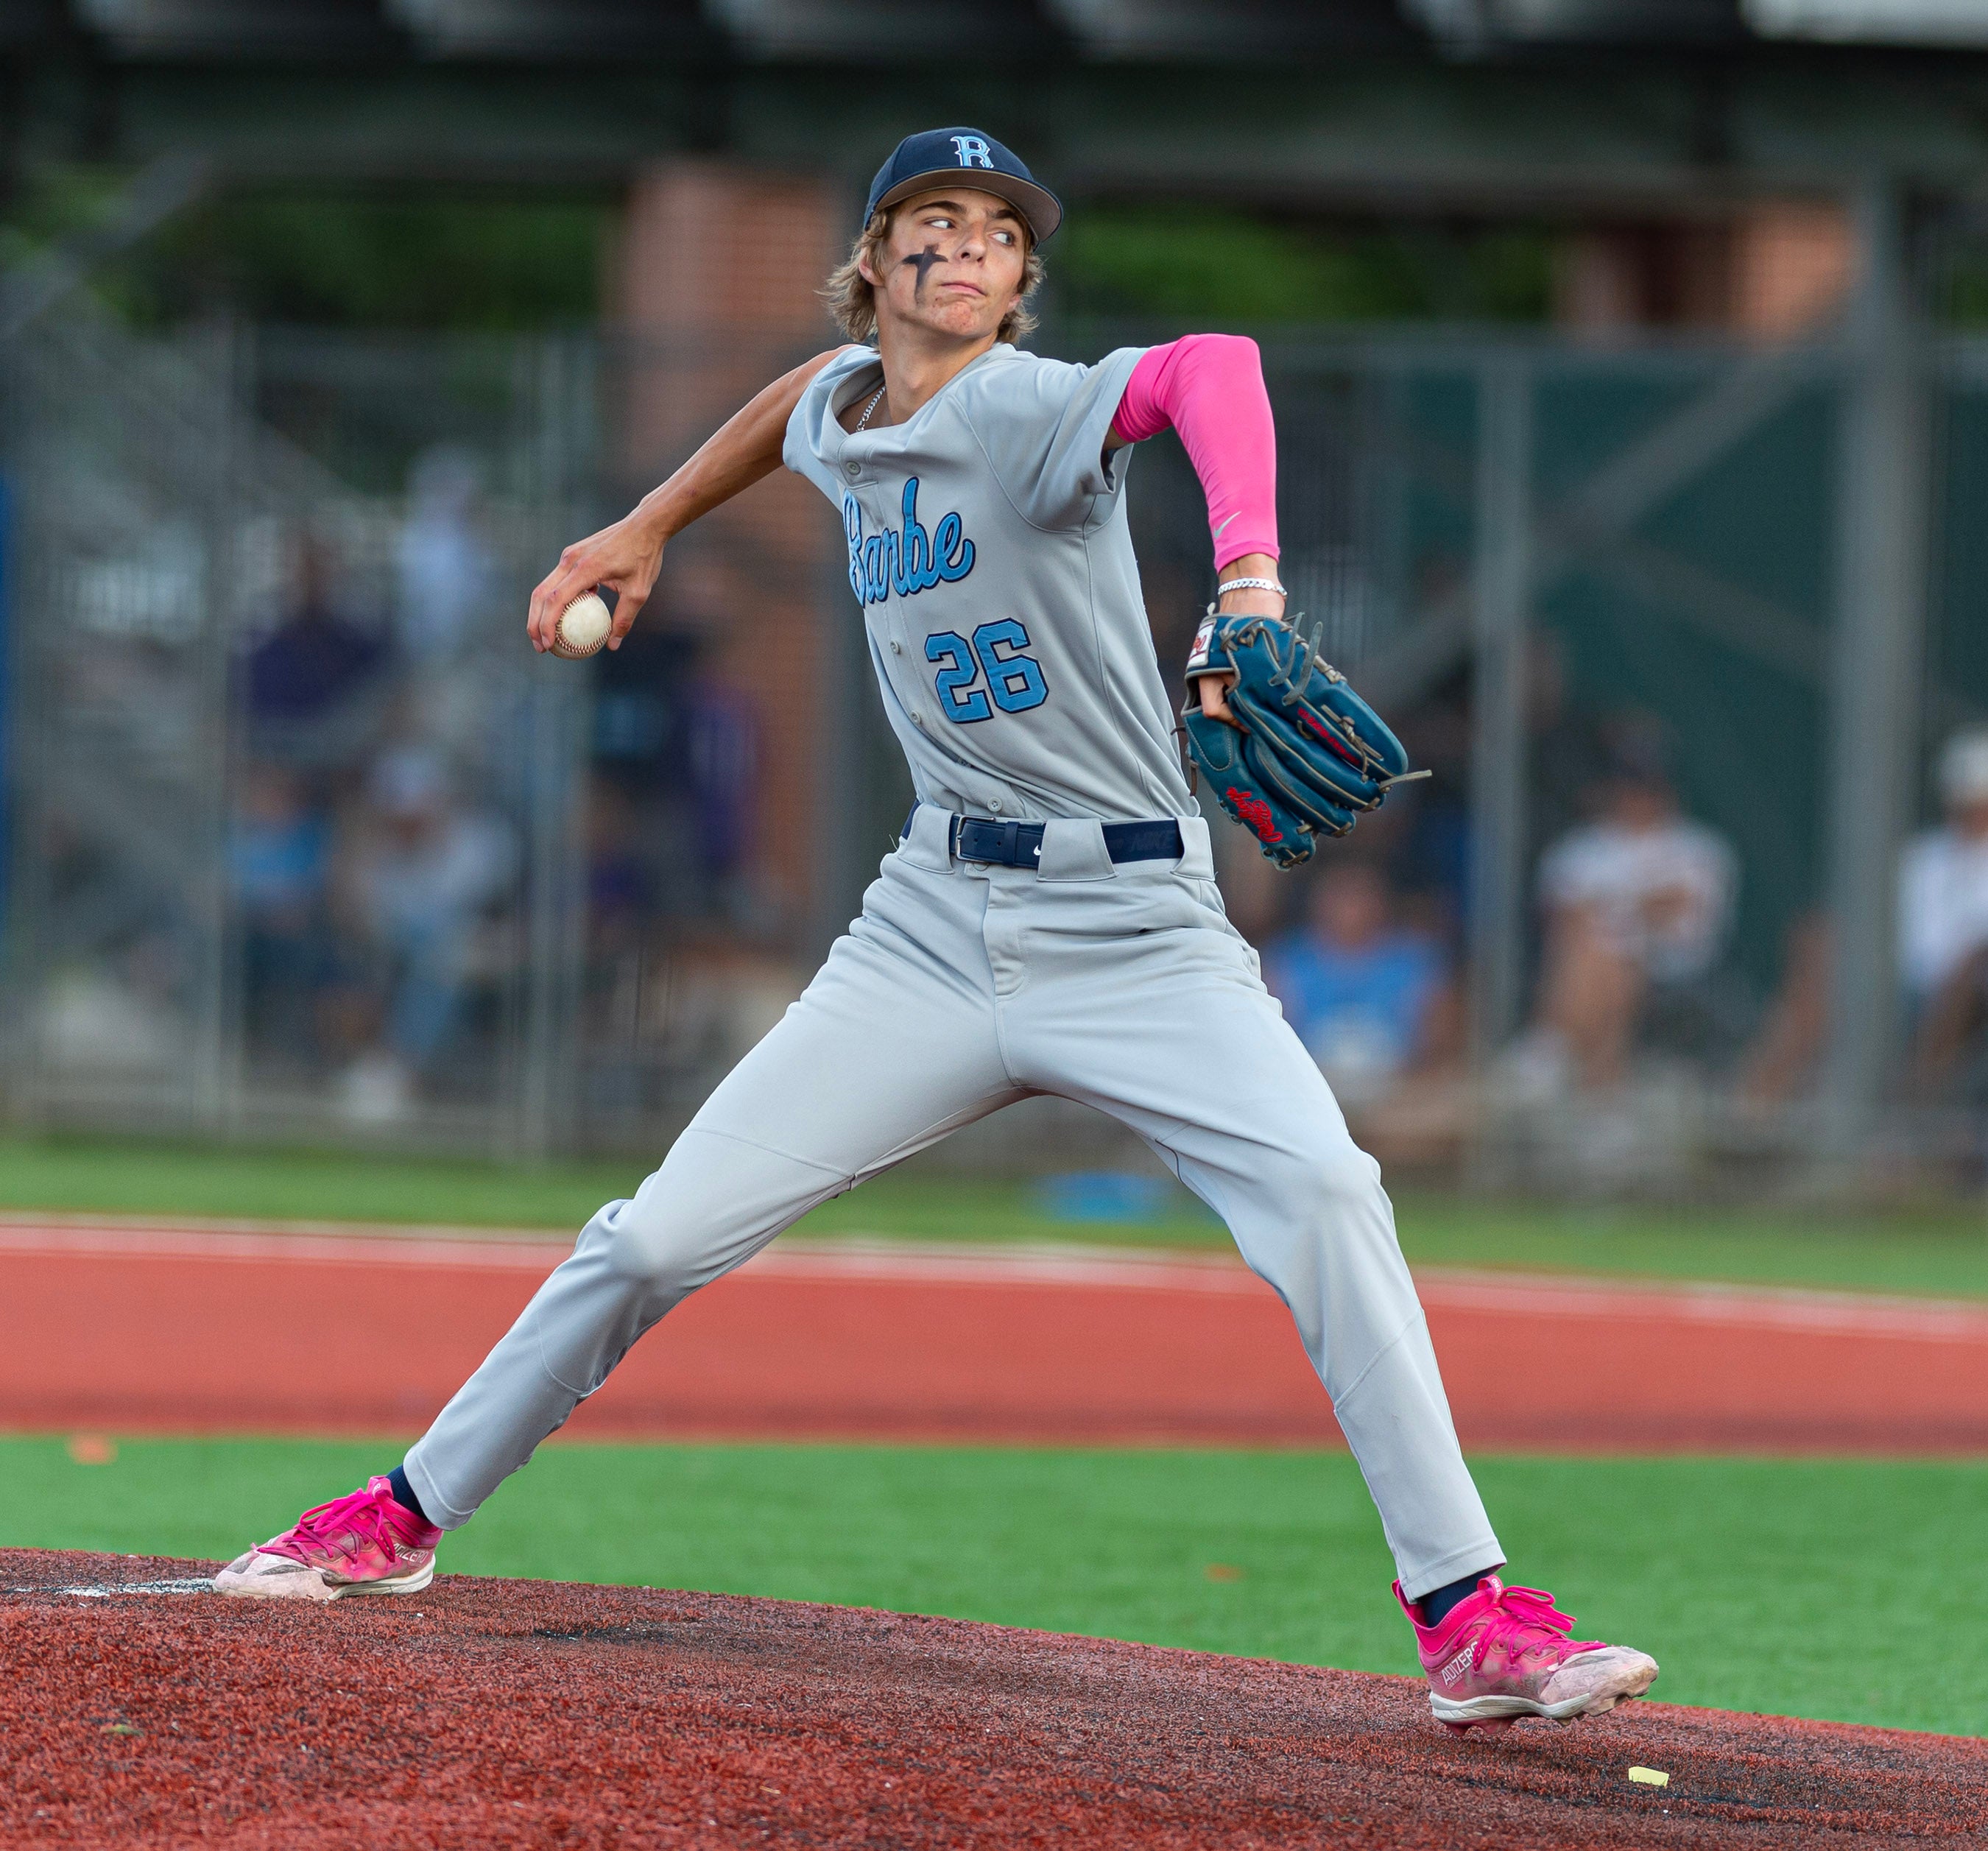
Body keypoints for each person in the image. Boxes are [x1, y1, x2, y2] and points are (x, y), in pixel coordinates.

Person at [214, 127, 1656, 1735]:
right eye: (929, 222)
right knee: (659, 1239)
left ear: (1021, 279)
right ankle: (401, 1516)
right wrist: (649, 523)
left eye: (995, 232)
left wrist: (1249, 578)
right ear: (876, 259)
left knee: (1329, 1192)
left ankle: (1468, 1615)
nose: (964, 249)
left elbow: (1212, 365)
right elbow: (799, 409)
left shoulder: (1025, 408)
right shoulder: (848, 404)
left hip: (1136, 929)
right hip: (931, 927)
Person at [1518, 725, 1738, 1093]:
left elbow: (1682, 912)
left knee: (1611, 958)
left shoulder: (1700, 847)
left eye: (1645, 783)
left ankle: (1549, 1049)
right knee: (1608, 963)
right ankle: (1597, 1102)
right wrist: (1638, 906)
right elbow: (1561, 919)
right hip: (1596, 963)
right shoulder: (1580, 847)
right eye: (1628, 782)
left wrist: (1607, 907)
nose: (1636, 795)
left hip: (1677, 969)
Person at [1263, 861, 1459, 1104]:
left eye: (1361, 895)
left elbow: (1440, 1053)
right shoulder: (1285, 963)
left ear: (1383, 902)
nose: (1351, 907)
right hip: (1307, 1098)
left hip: (1400, 1100)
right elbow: (1270, 1052)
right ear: (1317, 901)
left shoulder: (1417, 962)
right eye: (1341, 895)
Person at [1900, 727, 1988, 1090]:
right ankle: (1755, 1116)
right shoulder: (1921, 858)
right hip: (1906, 987)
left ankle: (1911, 1107)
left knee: (1967, 973)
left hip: (1974, 998)